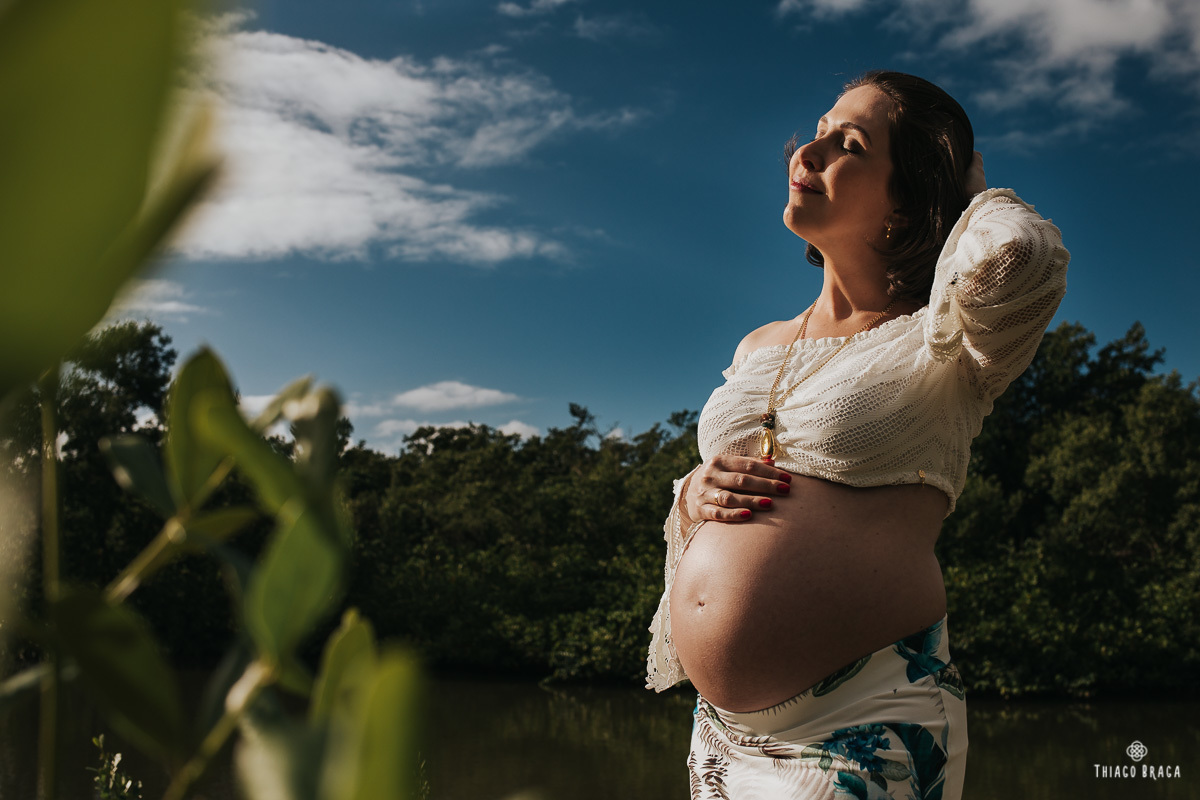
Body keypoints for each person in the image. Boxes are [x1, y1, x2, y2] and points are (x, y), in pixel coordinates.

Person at [645, 70, 1069, 799]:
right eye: (814, 132)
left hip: (862, 721)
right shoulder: (758, 346)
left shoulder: (948, 338)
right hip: (719, 735)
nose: (805, 154)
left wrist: (968, 192)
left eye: (848, 145)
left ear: (906, 202)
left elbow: (1021, 257)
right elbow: (724, 499)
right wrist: (692, 493)